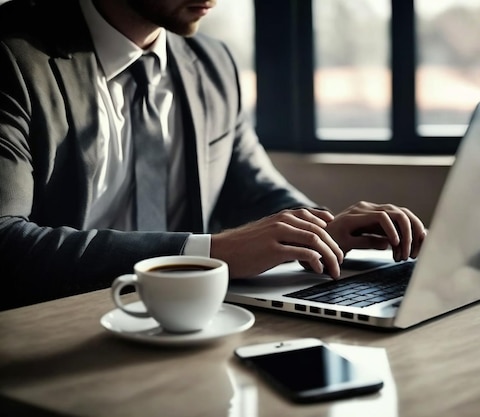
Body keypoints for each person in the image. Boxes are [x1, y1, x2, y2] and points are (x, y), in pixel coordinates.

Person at [0, 0, 427, 311]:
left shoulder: (213, 64)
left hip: (191, 320)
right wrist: (208, 251)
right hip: (57, 323)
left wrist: (324, 230)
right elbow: (5, 243)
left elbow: (256, 188)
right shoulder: (12, 56)